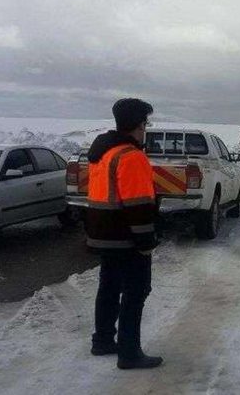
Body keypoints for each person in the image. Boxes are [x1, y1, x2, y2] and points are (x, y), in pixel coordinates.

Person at [86, 98, 163, 369]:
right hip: (126, 237)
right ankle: (129, 353)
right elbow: (138, 206)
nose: (145, 129)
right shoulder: (131, 157)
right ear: (139, 125)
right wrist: (146, 242)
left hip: (103, 233)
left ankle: (103, 340)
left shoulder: (104, 152)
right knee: (136, 291)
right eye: (145, 123)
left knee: (109, 287)